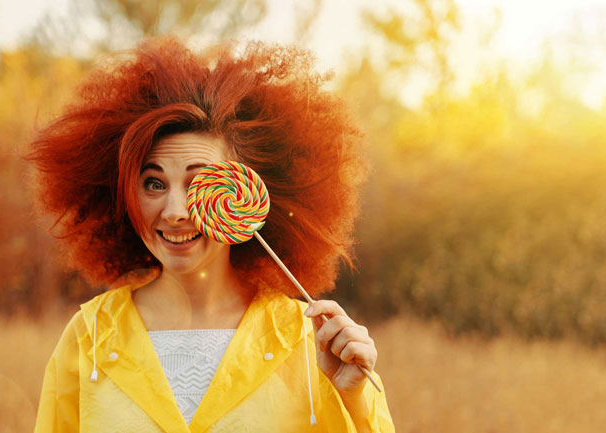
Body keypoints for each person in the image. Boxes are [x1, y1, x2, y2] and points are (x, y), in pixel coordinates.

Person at [29, 36, 395, 432]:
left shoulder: (309, 339)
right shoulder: (90, 335)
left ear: (242, 193)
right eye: (153, 183)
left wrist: (353, 395)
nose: (174, 211)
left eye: (199, 182)